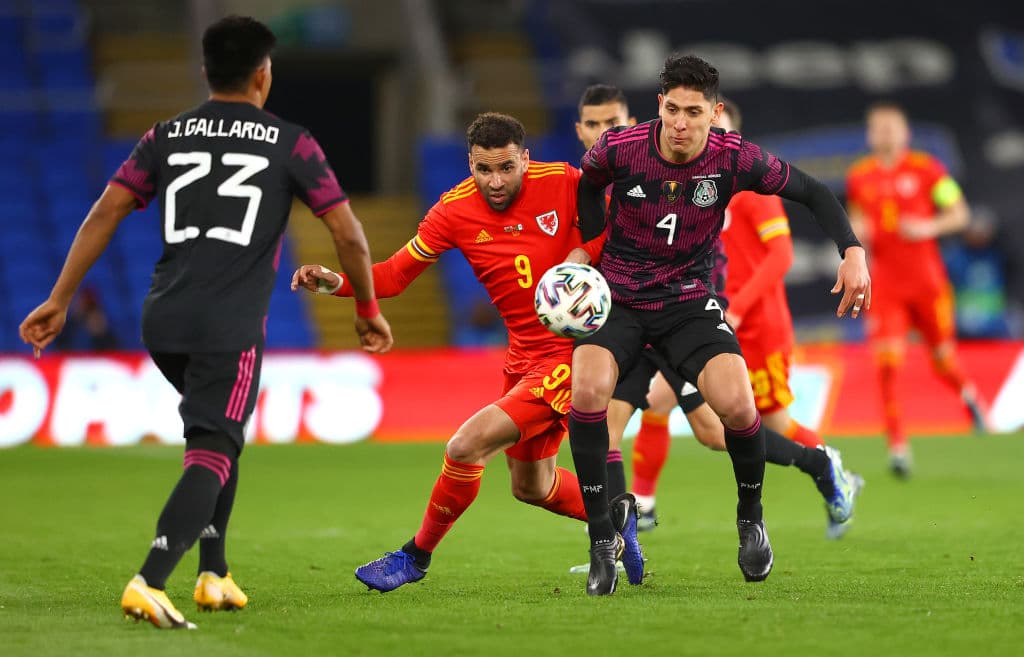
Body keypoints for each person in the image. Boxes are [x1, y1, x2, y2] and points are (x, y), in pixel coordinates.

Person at [19, 15, 392, 630]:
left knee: (220, 430)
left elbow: (105, 211)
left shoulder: (165, 135)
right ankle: (151, 579)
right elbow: (348, 234)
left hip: (163, 317)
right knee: (214, 445)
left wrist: (59, 298)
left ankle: (214, 573)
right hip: (229, 324)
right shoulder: (291, 142)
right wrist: (367, 310)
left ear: (205, 72)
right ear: (263, 75)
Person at [291, 112, 645, 595]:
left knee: (464, 446)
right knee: (531, 486)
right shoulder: (453, 210)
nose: (495, 182)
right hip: (522, 358)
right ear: (470, 164)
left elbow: (623, 231)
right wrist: (336, 282)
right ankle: (616, 514)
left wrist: (585, 255)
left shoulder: (563, 182)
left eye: (506, 168)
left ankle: (415, 556)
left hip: (575, 354)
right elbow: (393, 276)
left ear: (525, 159)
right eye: (484, 169)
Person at [569, 54, 870, 594]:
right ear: (659, 105)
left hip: (688, 302)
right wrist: (589, 250)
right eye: (672, 110)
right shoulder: (620, 148)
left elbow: (814, 191)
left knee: (737, 407)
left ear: (715, 113)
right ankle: (601, 542)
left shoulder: (734, 158)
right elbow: (587, 185)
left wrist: (852, 251)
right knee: (589, 393)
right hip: (621, 300)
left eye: (693, 112)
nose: (680, 123)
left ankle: (751, 519)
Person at [846, 101, 987, 477]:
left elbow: (960, 213)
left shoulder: (928, 170)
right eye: (878, 128)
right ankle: (898, 447)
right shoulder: (860, 176)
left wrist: (928, 227)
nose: (885, 134)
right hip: (886, 286)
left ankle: (969, 395)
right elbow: (857, 221)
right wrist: (858, 236)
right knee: (887, 364)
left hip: (927, 283)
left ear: (905, 133)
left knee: (942, 357)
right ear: (870, 135)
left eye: (891, 127)